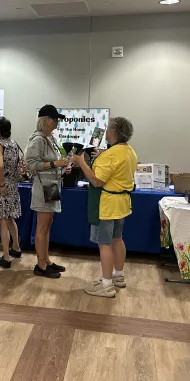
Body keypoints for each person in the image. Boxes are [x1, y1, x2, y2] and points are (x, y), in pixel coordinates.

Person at [72, 117, 137, 298]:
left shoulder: (109, 155)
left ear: (114, 132)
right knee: (118, 239)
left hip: (107, 205)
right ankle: (118, 275)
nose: (105, 131)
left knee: (105, 243)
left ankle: (106, 284)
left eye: (108, 128)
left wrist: (82, 162)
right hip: (122, 203)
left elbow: (96, 180)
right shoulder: (129, 151)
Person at [26, 104, 70, 279]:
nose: (57, 122)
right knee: (42, 226)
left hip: (51, 185)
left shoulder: (50, 138)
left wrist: (62, 168)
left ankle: (47, 260)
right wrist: (54, 165)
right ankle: (40, 264)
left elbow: (53, 163)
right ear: (46, 120)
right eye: (55, 119)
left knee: (48, 224)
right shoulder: (38, 140)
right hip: (43, 187)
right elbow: (31, 165)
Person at [0, 117, 23, 268]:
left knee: (3, 220)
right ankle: (16, 247)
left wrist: (2, 184)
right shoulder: (14, 144)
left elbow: (0, 166)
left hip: (3, 185)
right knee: (10, 218)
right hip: (14, 185)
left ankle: (6, 256)